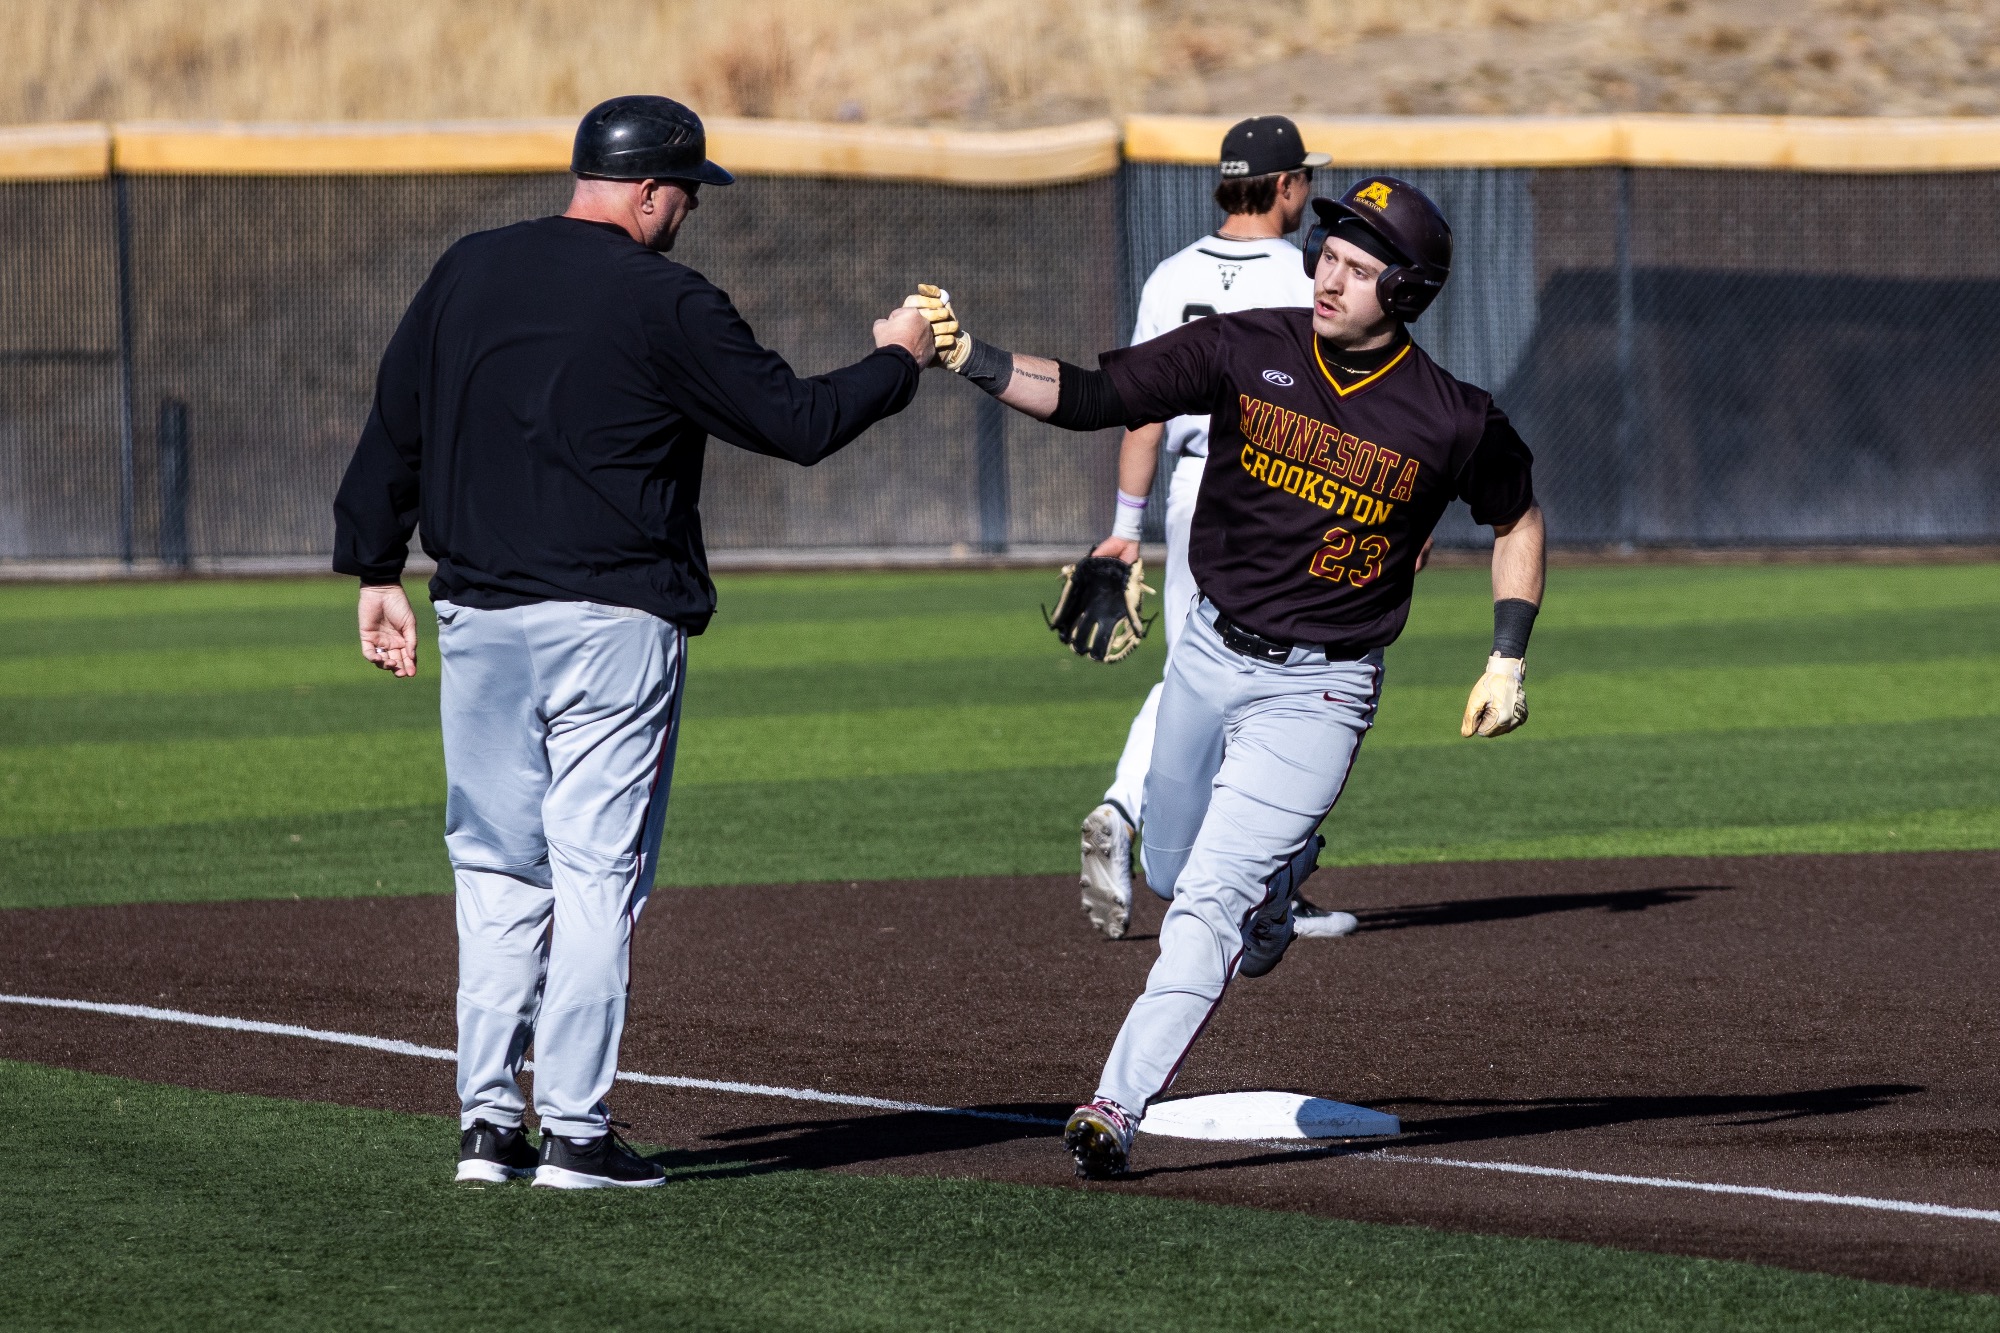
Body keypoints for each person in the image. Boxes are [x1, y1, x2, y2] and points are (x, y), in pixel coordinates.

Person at [332, 95, 934, 1190]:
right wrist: (894, 358)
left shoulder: (470, 268)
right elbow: (795, 423)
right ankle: (572, 1131)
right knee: (594, 874)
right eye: (688, 191)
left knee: (495, 871)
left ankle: (486, 1129)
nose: (691, 210)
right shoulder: (665, 297)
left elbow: (396, 419)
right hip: (609, 626)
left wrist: (377, 566)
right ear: (652, 189)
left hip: (476, 618)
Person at [906, 172, 1546, 1178]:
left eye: (1356, 266)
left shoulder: (1449, 419)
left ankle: (1112, 1107)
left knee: (1202, 905)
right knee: (1166, 872)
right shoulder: (1246, 348)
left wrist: (1505, 653)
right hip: (1203, 656)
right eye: (1325, 255)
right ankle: (1281, 881)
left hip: (1319, 693)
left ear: (1409, 292)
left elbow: (1515, 516)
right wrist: (968, 356)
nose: (1327, 277)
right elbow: (1092, 395)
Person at [1077, 114, 1364, 946]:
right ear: (1283, 187)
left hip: (1188, 491)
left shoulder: (1170, 274)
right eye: (1304, 178)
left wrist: (1125, 528)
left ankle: (1129, 807)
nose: (1308, 190)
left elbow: (1140, 409)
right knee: (1283, 686)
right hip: (1278, 490)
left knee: (1195, 675)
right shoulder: (1308, 276)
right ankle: (1268, 883)